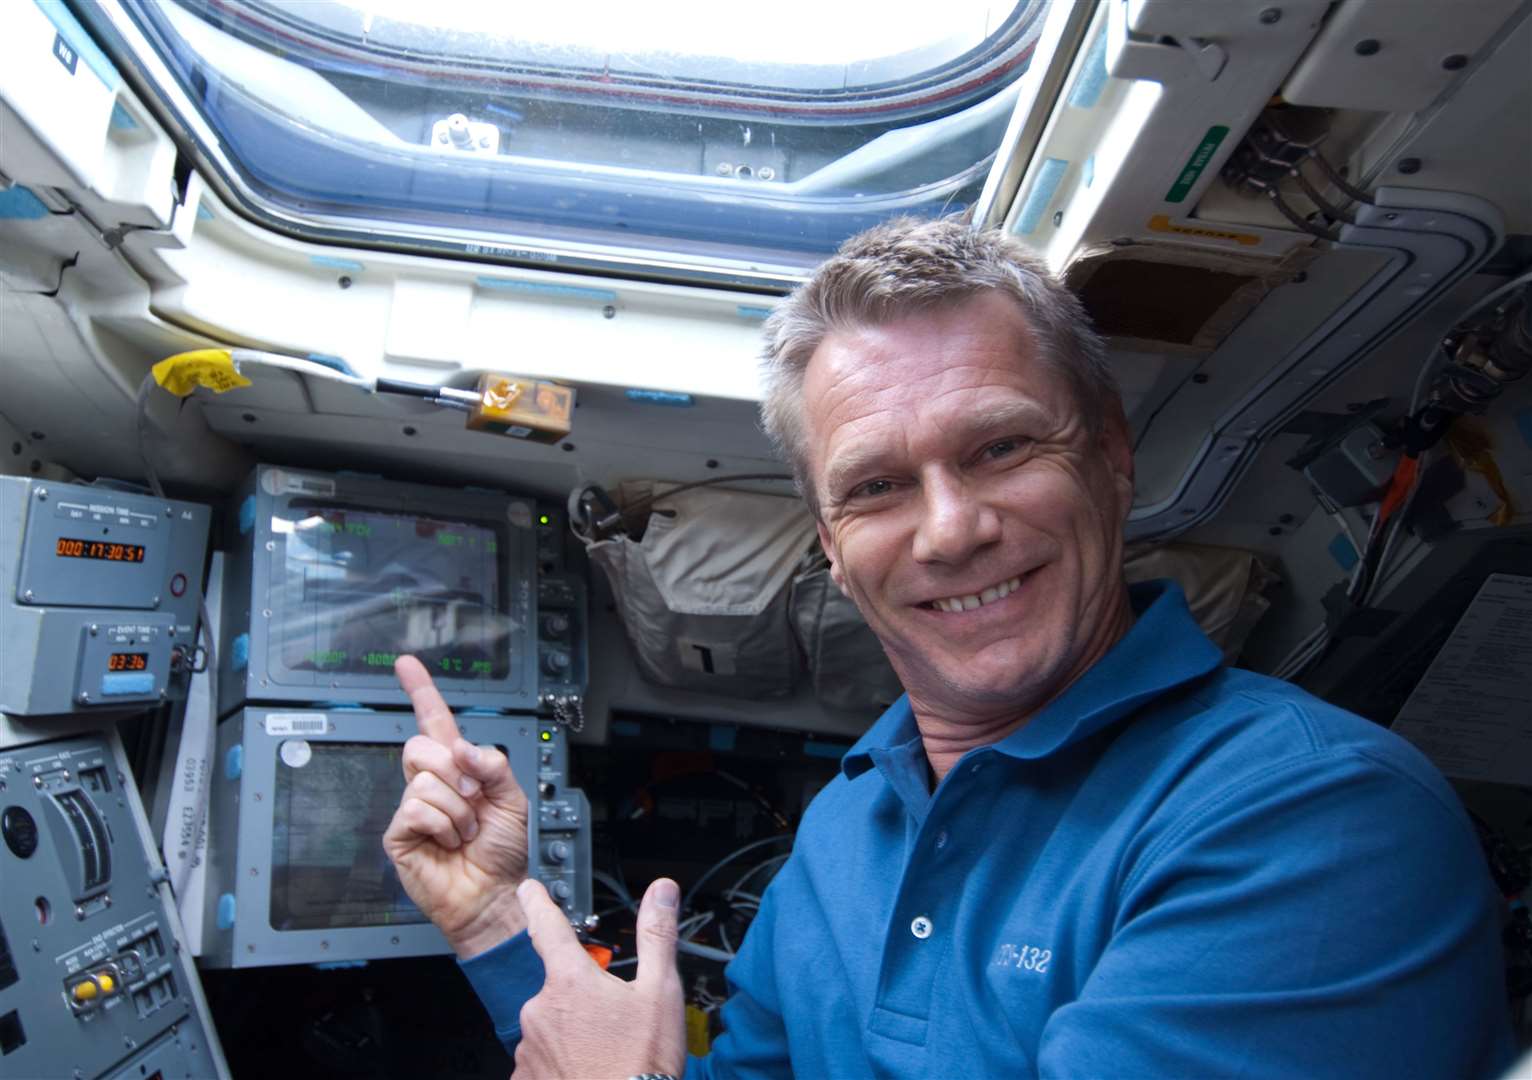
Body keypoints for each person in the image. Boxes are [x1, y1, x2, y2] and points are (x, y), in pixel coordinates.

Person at [384, 217, 1517, 1078]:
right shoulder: (842, 826)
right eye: (876, 486)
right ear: (832, 545)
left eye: (999, 448)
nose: (948, 528)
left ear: (1110, 462)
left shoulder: (1311, 819)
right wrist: (492, 922)